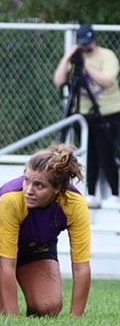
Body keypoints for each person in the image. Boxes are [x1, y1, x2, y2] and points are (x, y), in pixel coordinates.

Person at [0, 144, 91, 317]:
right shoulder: (11, 199)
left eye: (39, 186)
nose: (28, 191)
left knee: (47, 307)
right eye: (26, 180)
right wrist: (13, 319)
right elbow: (7, 264)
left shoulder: (75, 204)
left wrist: (76, 318)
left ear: (58, 189)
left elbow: (81, 268)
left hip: (34, 244)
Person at [53, 23, 120, 208]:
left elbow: (107, 81)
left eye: (89, 43)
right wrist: (69, 57)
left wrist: (86, 65)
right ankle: (91, 192)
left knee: (107, 153)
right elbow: (59, 80)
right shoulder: (74, 58)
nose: (86, 47)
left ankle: (114, 192)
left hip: (109, 112)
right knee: (90, 154)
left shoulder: (107, 55)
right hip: (84, 114)